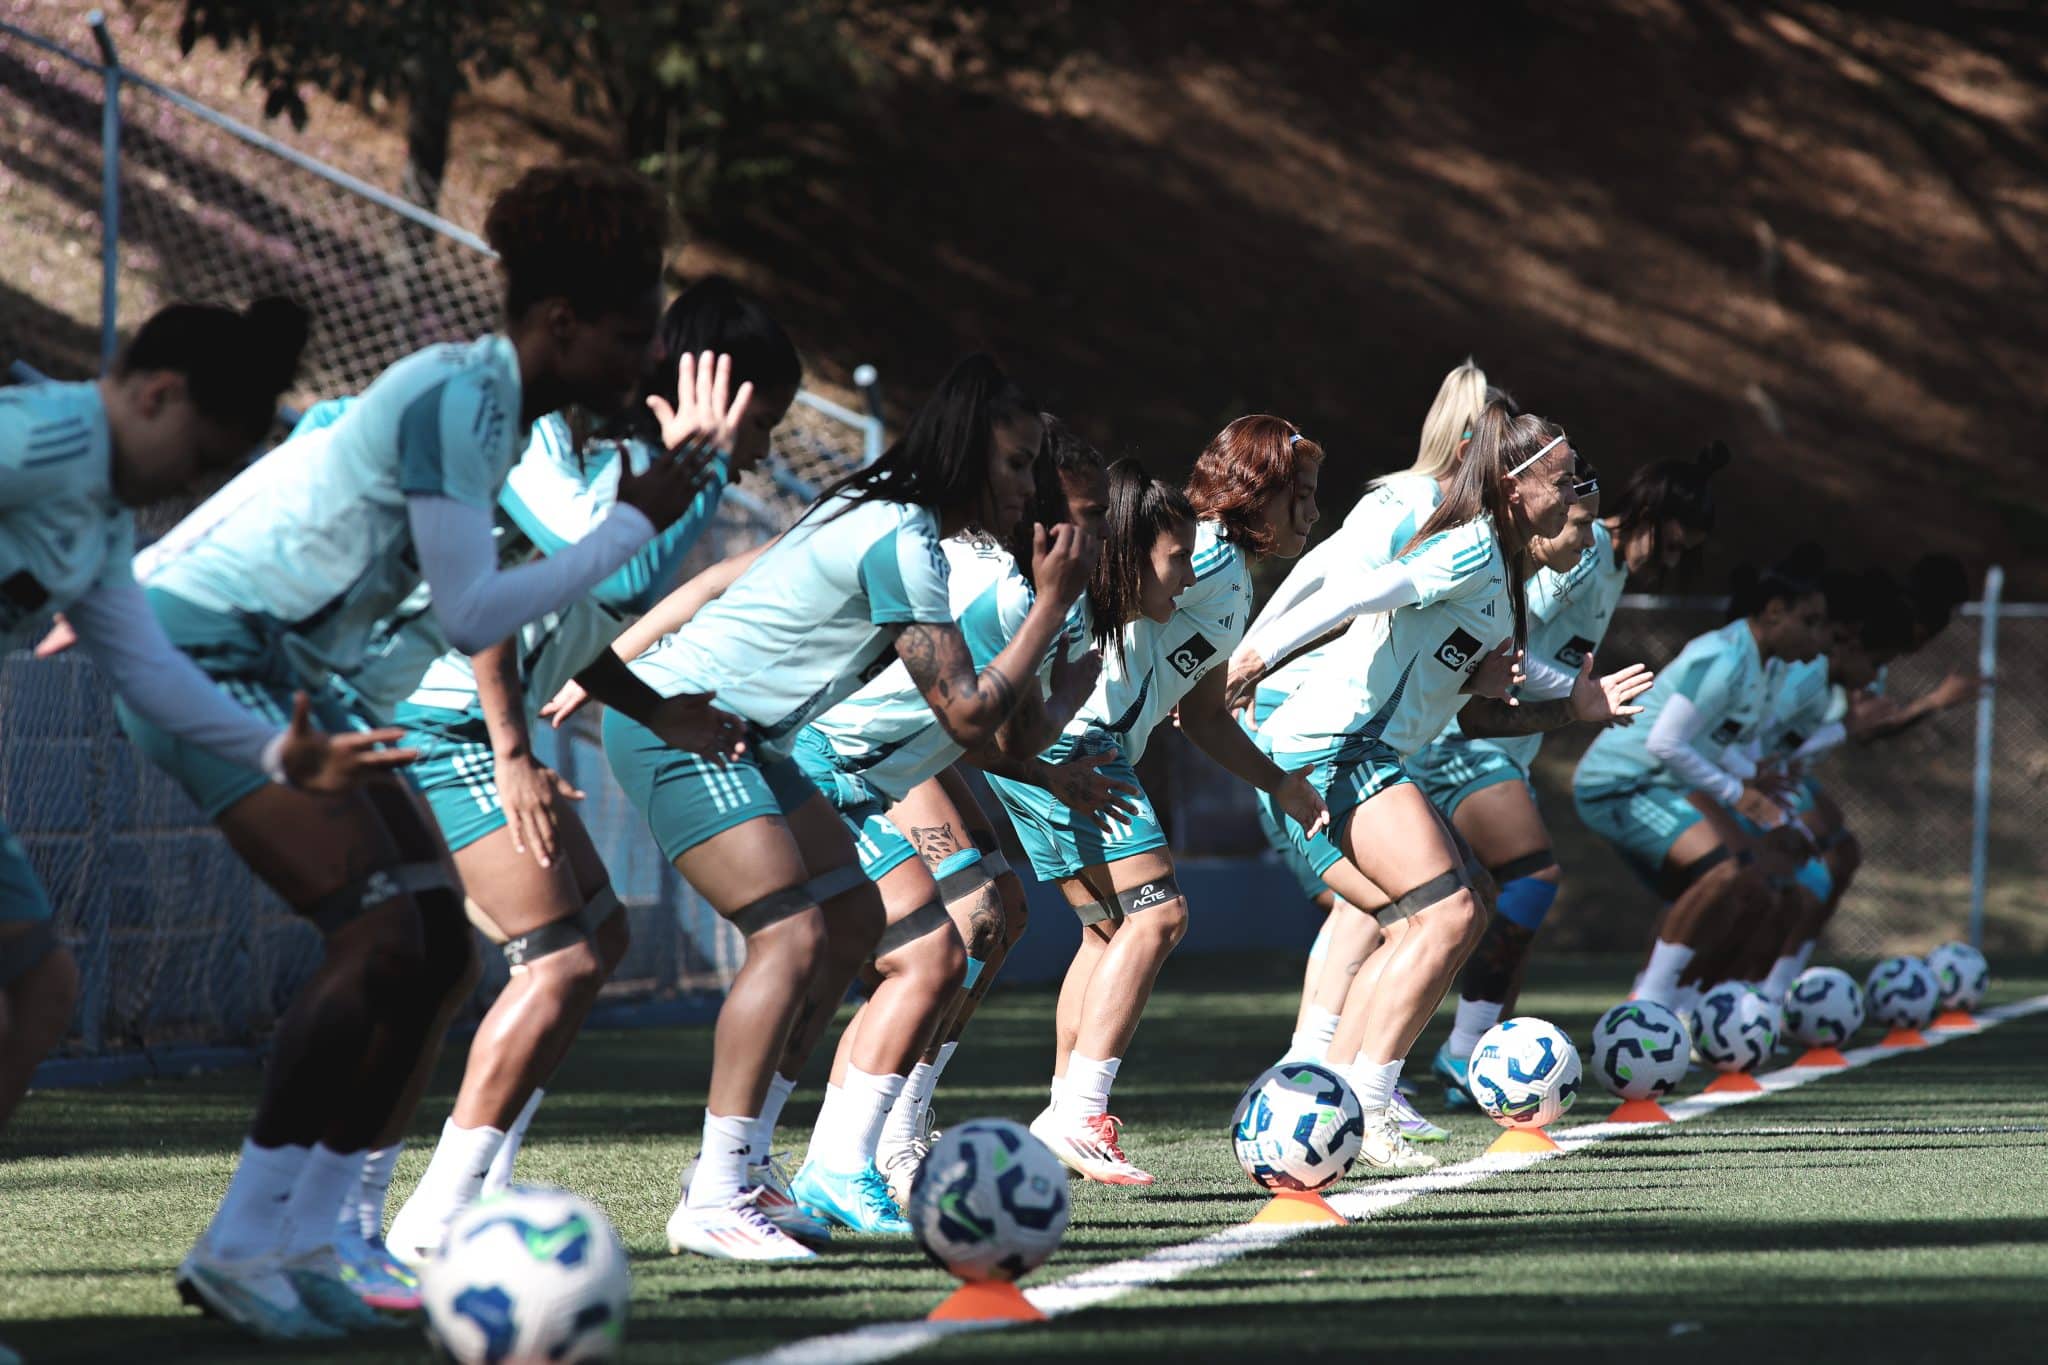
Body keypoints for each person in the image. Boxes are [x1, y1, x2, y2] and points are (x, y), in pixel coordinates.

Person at [122, 163, 733, 1342]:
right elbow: (473, 615)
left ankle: (314, 1238)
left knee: (436, 945)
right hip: (201, 646)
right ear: (559, 324)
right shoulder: (461, 396)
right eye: (627, 336)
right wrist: (644, 514)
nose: (640, 359)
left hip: (287, 662)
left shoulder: (497, 405)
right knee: (379, 935)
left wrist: (660, 497)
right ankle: (245, 1244)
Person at [597, 354, 1093, 1260]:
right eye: (1017, 464)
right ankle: (713, 1193)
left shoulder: (898, 523)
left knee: (861, 918)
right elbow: (972, 714)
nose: (1030, 488)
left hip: (751, 739)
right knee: (795, 936)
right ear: (963, 453)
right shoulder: (903, 537)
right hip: (694, 727)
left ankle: (752, 1170)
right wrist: (1049, 609)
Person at [381, 278, 803, 1266]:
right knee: (555, 957)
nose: (768, 446)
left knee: (598, 938)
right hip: (440, 719)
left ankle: (472, 1186)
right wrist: (513, 753)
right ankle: (433, 1214)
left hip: (478, 721)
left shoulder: (623, 462)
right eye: (766, 418)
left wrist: (660, 710)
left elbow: (577, 617)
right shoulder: (560, 452)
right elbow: (563, 581)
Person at [0, 299, 413, 1140]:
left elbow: (148, 667)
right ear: (158, 394)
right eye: (196, 458)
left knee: (43, 988)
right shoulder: (36, 440)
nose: (188, 484)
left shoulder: (101, 510)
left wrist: (273, 751)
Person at [1233, 403, 1620, 1174]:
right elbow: (1363, 593)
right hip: (1335, 745)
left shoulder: (1500, 560)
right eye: (1565, 476)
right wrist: (1258, 653)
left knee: (1441, 912)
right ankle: (1367, 1104)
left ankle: (1333, 1097)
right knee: (1447, 912)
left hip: (1359, 750)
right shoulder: (1473, 545)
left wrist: (1577, 700)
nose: (1578, 487)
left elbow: (1507, 668)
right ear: (1516, 487)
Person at [985, 417, 1327, 1188]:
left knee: (1107, 933)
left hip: (1072, 740)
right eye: (1298, 497)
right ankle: (1082, 1110)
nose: (1310, 514)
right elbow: (1090, 590)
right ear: (1255, 494)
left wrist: (1277, 779)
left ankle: (1062, 1110)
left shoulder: (1231, 571)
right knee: (1159, 915)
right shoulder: (1198, 548)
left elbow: (1201, 713)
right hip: (1077, 739)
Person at [787, 415, 1113, 1216]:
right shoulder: (998, 586)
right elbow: (987, 720)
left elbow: (984, 729)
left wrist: (1045, 765)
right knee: (926, 944)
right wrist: (1062, 703)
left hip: (872, 764)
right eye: (1087, 513)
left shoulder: (1030, 590)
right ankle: (812, 1155)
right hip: (828, 758)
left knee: (985, 921)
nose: (1097, 532)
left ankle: (848, 1145)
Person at [1411, 442, 1728, 1107]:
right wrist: (1586, 694)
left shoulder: (1608, 566)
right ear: (1650, 512)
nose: (1670, 559)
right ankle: (1460, 1051)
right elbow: (1508, 648)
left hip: (1506, 745)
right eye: (1673, 541)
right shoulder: (1582, 556)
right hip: (1461, 734)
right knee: (1531, 877)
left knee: (1509, 899)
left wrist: (1576, 696)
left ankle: (1477, 1054)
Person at [1242, 358, 1499, 1143]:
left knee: (1427, 905)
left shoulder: (1469, 528)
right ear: (1468, 439)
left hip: (1353, 722)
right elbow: (1328, 578)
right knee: (1414, 909)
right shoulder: (1412, 500)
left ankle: (1329, 1086)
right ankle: (1322, 1080)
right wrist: (1255, 655)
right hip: (1309, 714)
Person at [1572, 548, 1831, 1015]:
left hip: (1664, 783)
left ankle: (1694, 1009)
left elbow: (1718, 741)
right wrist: (1741, 796)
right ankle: (1647, 1009)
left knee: (1752, 887)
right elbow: (1665, 742)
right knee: (1723, 874)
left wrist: (1760, 785)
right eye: (1810, 621)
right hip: (1621, 785)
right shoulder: (1725, 657)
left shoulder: (1766, 663)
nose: (1819, 636)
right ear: (1774, 611)